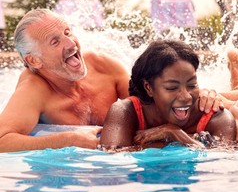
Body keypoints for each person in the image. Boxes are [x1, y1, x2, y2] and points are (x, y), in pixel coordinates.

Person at [0, 9, 222, 153]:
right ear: (34, 60)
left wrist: (201, 94)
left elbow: (152, 103)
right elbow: (2, 141)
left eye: (68, 32)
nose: (71, 43)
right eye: (55, 41)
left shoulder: (104, 67)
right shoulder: (33, 88)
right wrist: (67, 140)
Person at [99, 40, 237, 151]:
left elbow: (222, 159)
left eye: (191, 85)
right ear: (148, 87)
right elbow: (112, 157)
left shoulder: (217, 117)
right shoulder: (125, 111)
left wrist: (174, 133)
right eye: (172, 87)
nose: (186, 97)